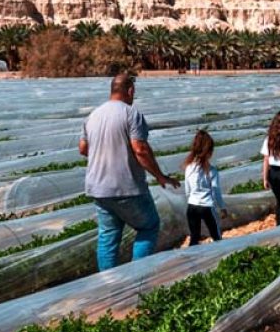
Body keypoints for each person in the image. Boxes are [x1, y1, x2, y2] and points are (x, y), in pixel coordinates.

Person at [78, 73, 179, 271]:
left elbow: (82, 149)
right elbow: (140, 149)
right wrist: (160, 176)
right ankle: (137, 278)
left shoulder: (93, 116)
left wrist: (104, 153)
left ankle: (109, 284)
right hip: (127, 188)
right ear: (130, 90)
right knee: (148, 226)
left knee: (108, 237)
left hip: (98, 188)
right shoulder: (131, 114)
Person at [182, 129, 228, 246]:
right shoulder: (211, 170)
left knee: (194, 237)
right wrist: (222, 207)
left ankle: (193, 260)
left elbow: (187, 189)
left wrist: (192, 199)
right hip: (207, 206)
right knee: (216, 236)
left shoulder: (189, 168)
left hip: (192, 207)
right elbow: (216, 191)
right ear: (208, 152)